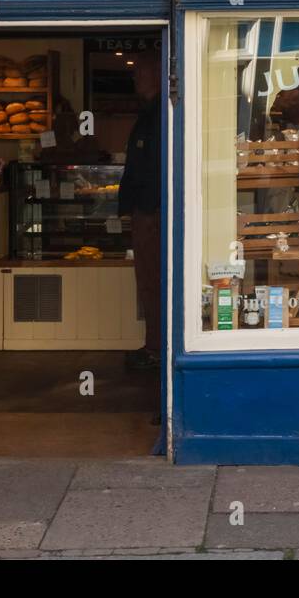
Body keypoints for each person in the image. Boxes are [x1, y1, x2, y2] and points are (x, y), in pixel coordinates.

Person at [118, 53, 162, 371]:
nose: (135, 79)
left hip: (153, 213)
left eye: (140, 72)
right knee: (149, 283)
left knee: (154, 282)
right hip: (145, 212)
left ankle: (158, 349)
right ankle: (154, 346)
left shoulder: (161, 113)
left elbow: (152, 168)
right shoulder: (150, 112)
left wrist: (142, 207)